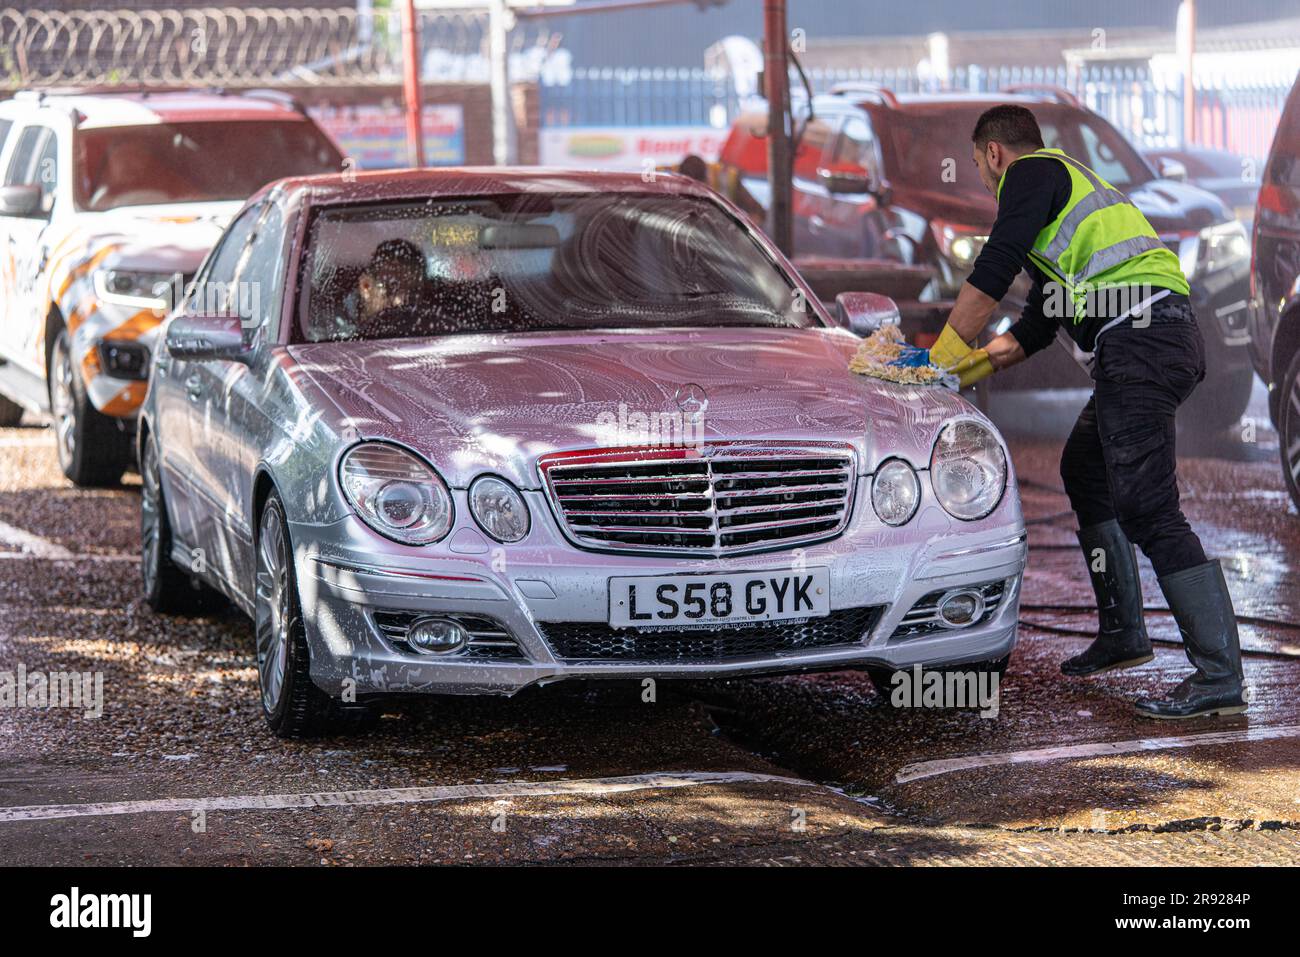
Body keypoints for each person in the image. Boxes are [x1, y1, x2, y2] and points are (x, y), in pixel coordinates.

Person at [893, 104, 1245, 719]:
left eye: (978, 164)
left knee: (1148, 507)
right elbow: (1035, 325)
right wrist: (960, 371)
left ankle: (1217, 673)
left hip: (1143, 340)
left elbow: (993, 267)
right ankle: (1124, 634)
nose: (981, 177)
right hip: (1149, 340)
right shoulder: (1065, 198)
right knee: (1084, 468)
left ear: (995, 154)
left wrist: (938, 356)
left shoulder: (1031, 176)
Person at [341, 239, 427, 336]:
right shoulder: (331, 332)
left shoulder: (430, 333)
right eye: (391, 290)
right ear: (366, 286)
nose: (399, 302)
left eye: (411, 295)